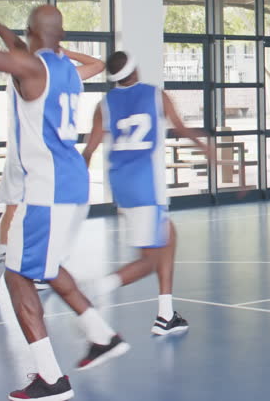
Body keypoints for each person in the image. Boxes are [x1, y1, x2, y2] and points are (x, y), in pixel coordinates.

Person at [0, 8, 128, 401]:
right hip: (72, 185)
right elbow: (20, 48)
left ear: (31, 33)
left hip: (46, 190)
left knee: (17, 275)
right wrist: (1, 29)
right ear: (60, 35)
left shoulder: (32, 68)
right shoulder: (66, 70)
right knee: (47, 267)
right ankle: (102, 335)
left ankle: (51, 379)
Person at [81, 51, 213, 336]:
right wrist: (206, 148)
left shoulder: (104, 104)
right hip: (146, 186)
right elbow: (180, 128)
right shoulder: (156, 95)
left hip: (120, 185)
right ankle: (98, 288)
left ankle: (166, 314)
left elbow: (89, 149)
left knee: (168, 236)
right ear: (134, 69)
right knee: (150, 259)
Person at [0, 22, 105, 294]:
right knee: (48, 209)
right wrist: (66, 52)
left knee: (13, 208)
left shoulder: (25, 72)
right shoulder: (62, 74)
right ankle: (38, 264)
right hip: (50, 156)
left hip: (20, 150)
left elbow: (15, 50)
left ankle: (4, 253)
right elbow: (98, 64)